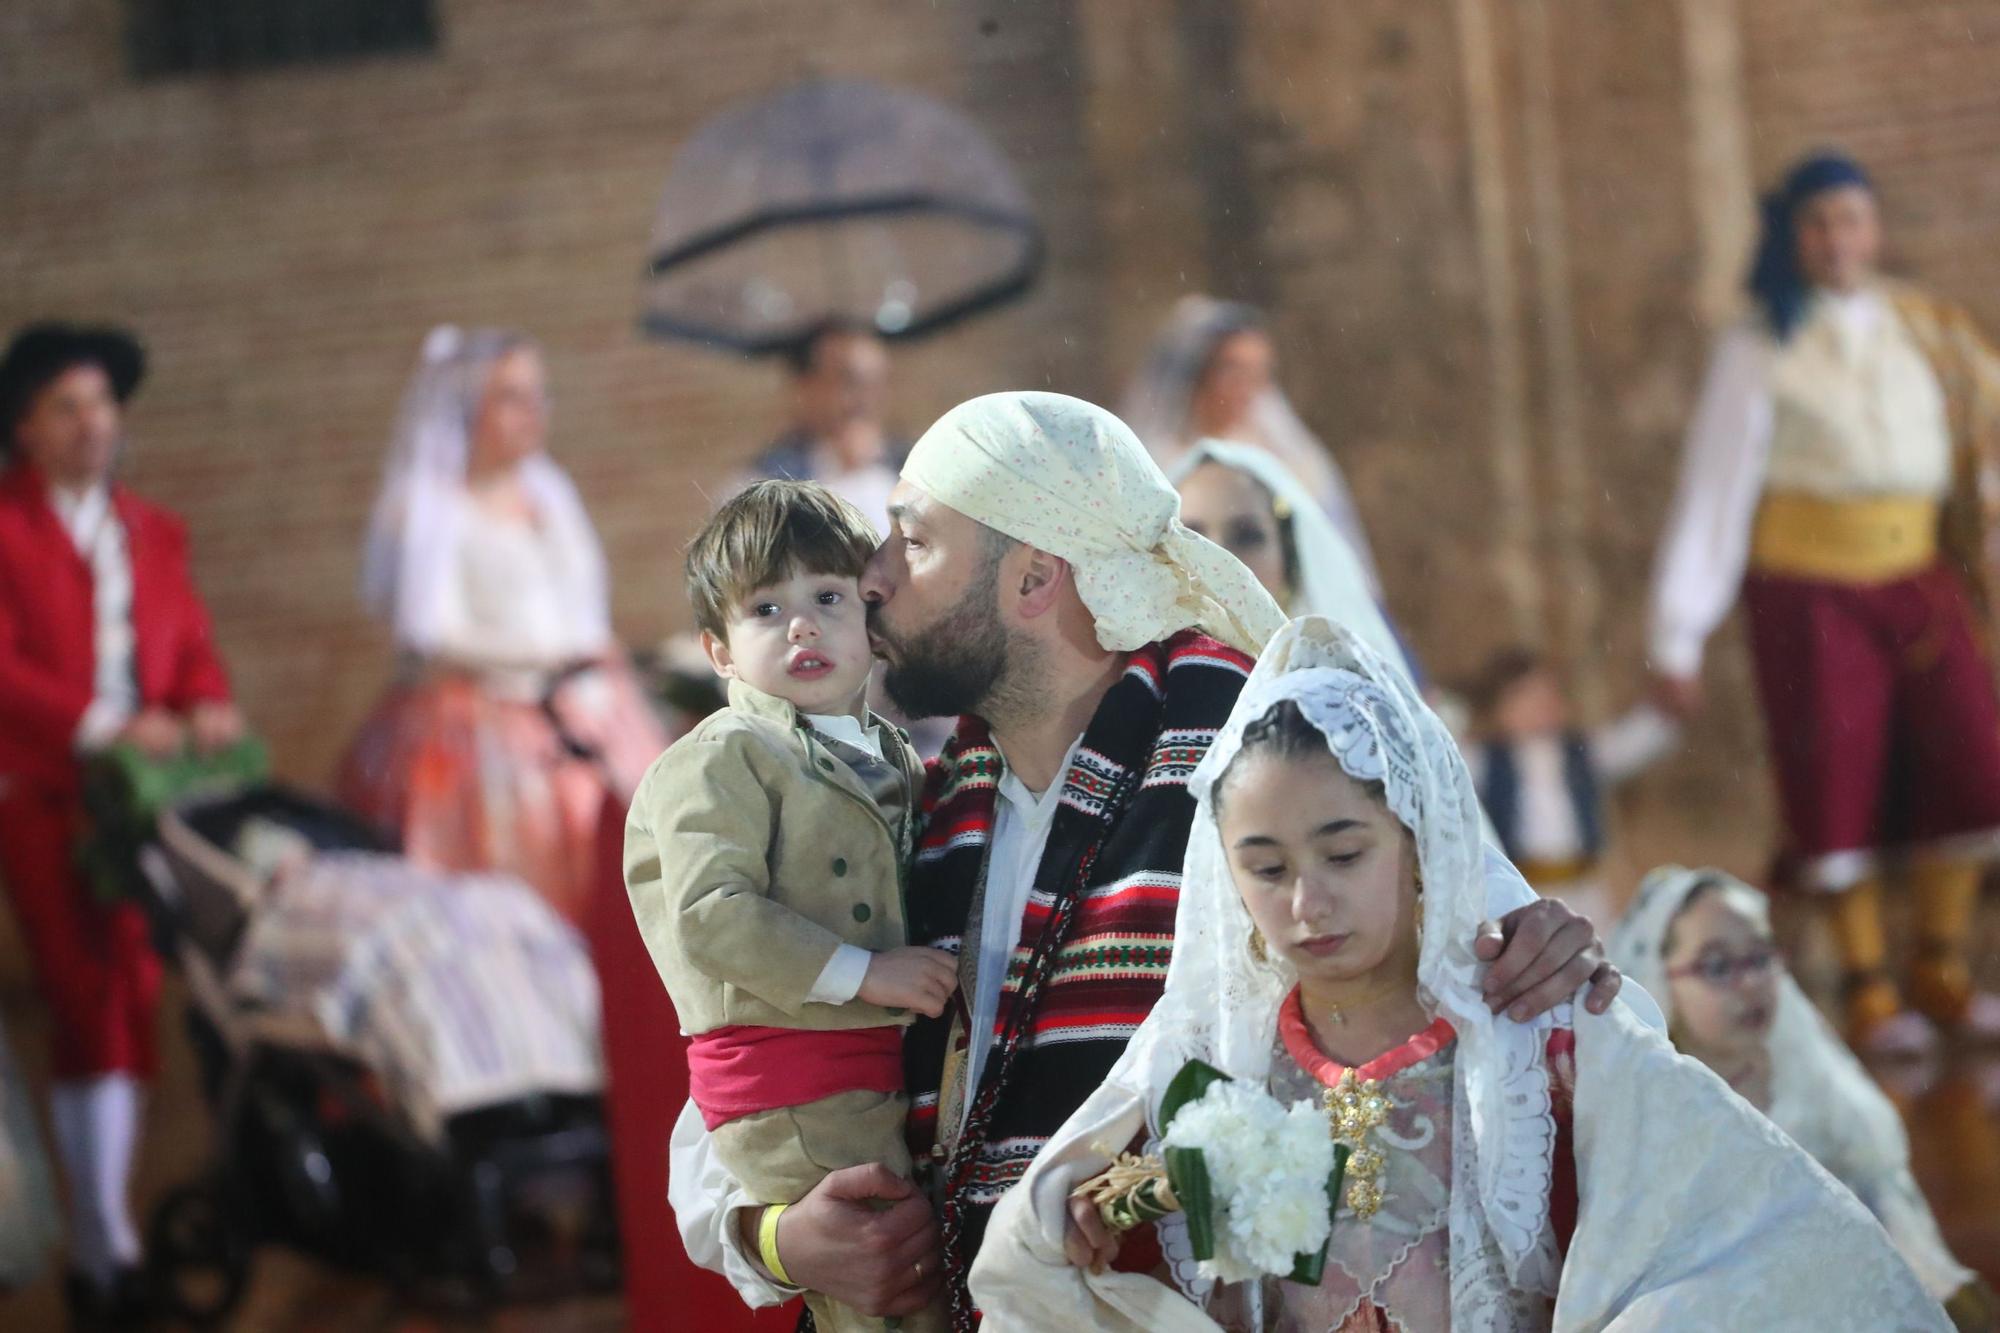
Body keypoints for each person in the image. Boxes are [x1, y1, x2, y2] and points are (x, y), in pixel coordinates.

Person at [668, 392, 1621, 1328]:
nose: (871, 578)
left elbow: (1491, 971)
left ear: (1034, 580)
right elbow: (741, 1050)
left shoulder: (1259, 759)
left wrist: (1527, 947)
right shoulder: (909, 804)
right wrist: (778, 1235)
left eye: (913, 542)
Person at [973, 617, 1947, 1332]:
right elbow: (1041, 1256)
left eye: (1343, 853)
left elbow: (1752, 1241)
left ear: (1418, 843)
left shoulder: (1545, 1037)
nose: (1306, 901)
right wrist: (1091, 1210)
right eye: (1264, 867)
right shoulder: (1205, 1061)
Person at [1648, 151, 2000, 1052]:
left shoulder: (1926, 330)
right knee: (1837, 777)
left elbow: (1978, 454)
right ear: (1793, 236)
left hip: (1920, 578)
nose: (1837, 240)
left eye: (1851, 220)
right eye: (1818, 224)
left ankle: (1942, 964)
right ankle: (1868, 981)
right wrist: (1678, 633)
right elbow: (1715, 491)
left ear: (1873, 229)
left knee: (1971, 759)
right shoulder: (1761, 343)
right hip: (1812, 594)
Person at [625, 481, 950, 1333]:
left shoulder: (892, 752)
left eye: (827, 597)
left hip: (872, 1066)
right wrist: (867, 971)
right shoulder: (725, 755)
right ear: (718, 650)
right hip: (798, 1085)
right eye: (766, 608)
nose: (801, 624)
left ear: (869, 621)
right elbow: (713, 912)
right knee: (888, 1284)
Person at [0, 321, 245, 1323]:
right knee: (84, 991)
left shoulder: (151, 529)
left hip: (145, 800)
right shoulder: (6, 528)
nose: (94, 424)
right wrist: (104, 723)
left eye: (102, 404)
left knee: (135, 991)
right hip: (43, 789)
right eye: (68, 406)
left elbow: (185, 645)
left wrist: (208, 701)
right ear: (25, 426)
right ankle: (104, 1246)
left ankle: (110, 1238)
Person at [339, 326, 663, 925]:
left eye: (538, 395)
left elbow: (582, 605)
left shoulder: (551, 494)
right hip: (480, 727)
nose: (533, 412)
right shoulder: (431, 509)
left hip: (582, 713)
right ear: (469, 409)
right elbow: (429, 633)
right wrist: (545, 657)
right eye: (512, 397)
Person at [1610, 867, 1996, 1330]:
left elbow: (1893, 1238)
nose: (1748, 982)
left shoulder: (1827, 1094)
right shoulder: (1644, 1116)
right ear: (1658, 976)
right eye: (1716, 966)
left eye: (1759, 958)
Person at [1121, 296, 1378, 589]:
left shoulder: (1292, 463)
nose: (1246, 389)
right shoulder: (1152, 464)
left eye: (1259, 373)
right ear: (1197, 374)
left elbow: (1329, 561)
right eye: (1232, 370)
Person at [1463, 649, 1678, 925]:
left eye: (1547, 694)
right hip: (1524, 887)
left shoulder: (1580, 754)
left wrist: (1662, 714)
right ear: (1500, 708)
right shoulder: (1488, 763)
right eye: (1527, 697)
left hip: (1585, 886)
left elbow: (1628, 746)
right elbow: (1444, 757)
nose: (1542, 705)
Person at [1168, 439, 1413, 682]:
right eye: (1191, 537)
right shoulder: (1138, 692)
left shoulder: (1337, 695)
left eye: (1246, 536)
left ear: (1290, 560)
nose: (1218, 560)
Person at [737, 318, 906, 533]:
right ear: (805, 387)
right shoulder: (759, 487)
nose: (868, 399)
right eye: (851, 382)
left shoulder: (915, 470)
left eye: (878, 383)